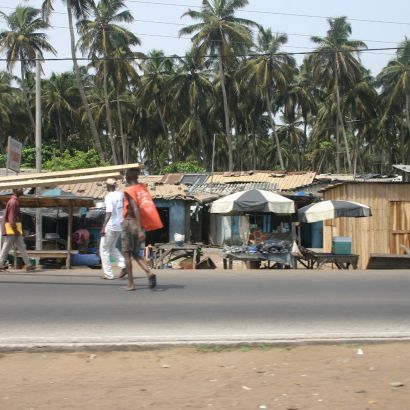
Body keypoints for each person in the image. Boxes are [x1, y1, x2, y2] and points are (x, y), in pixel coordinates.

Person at [121, 168, 157, 291]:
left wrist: (140, 230)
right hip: (138, 224)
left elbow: (135, 207)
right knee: (136, 253)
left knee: (126, 254)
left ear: (128, 177)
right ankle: (149, 272)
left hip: (129, 223)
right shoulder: (141, 188)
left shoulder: (129, 190)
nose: (125, 177)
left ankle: (131, 284)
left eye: (126, 175)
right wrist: (141, 227)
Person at [0, 189, 35, 271]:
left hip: (15, 230)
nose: (22, 190)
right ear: (16, 192)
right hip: (13, 230)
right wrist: (15, 228)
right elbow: (11, 218)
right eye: (20, 189)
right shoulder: (13, 202)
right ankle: (0, 263)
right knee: (6, 247)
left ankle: (28, 265)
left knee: (22, 247)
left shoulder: (14, 201)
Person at [100, 178, 125, 280]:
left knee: (104, 250)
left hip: (110, 226)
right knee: (112, 248)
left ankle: (109, 274)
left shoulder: (108, 197)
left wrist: (103, 227)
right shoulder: (120, 194)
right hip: (119, 226)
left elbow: (108, 212)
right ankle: (124, 264)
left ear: (108, 186)